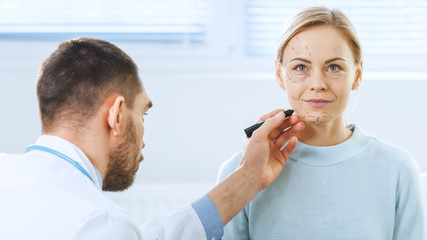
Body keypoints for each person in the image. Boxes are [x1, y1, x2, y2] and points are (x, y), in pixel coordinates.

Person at [0, 38, 305, 239]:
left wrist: (249, 178)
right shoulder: (100, 222)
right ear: (117, 115)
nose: (144, 138)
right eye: (142, 115)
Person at [217, 7, 426, 240]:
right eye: (301, 67)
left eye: (333, 67)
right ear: (280, 75)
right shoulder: (240, 171)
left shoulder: (397, 169)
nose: (318, 83)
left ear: (357, 75)